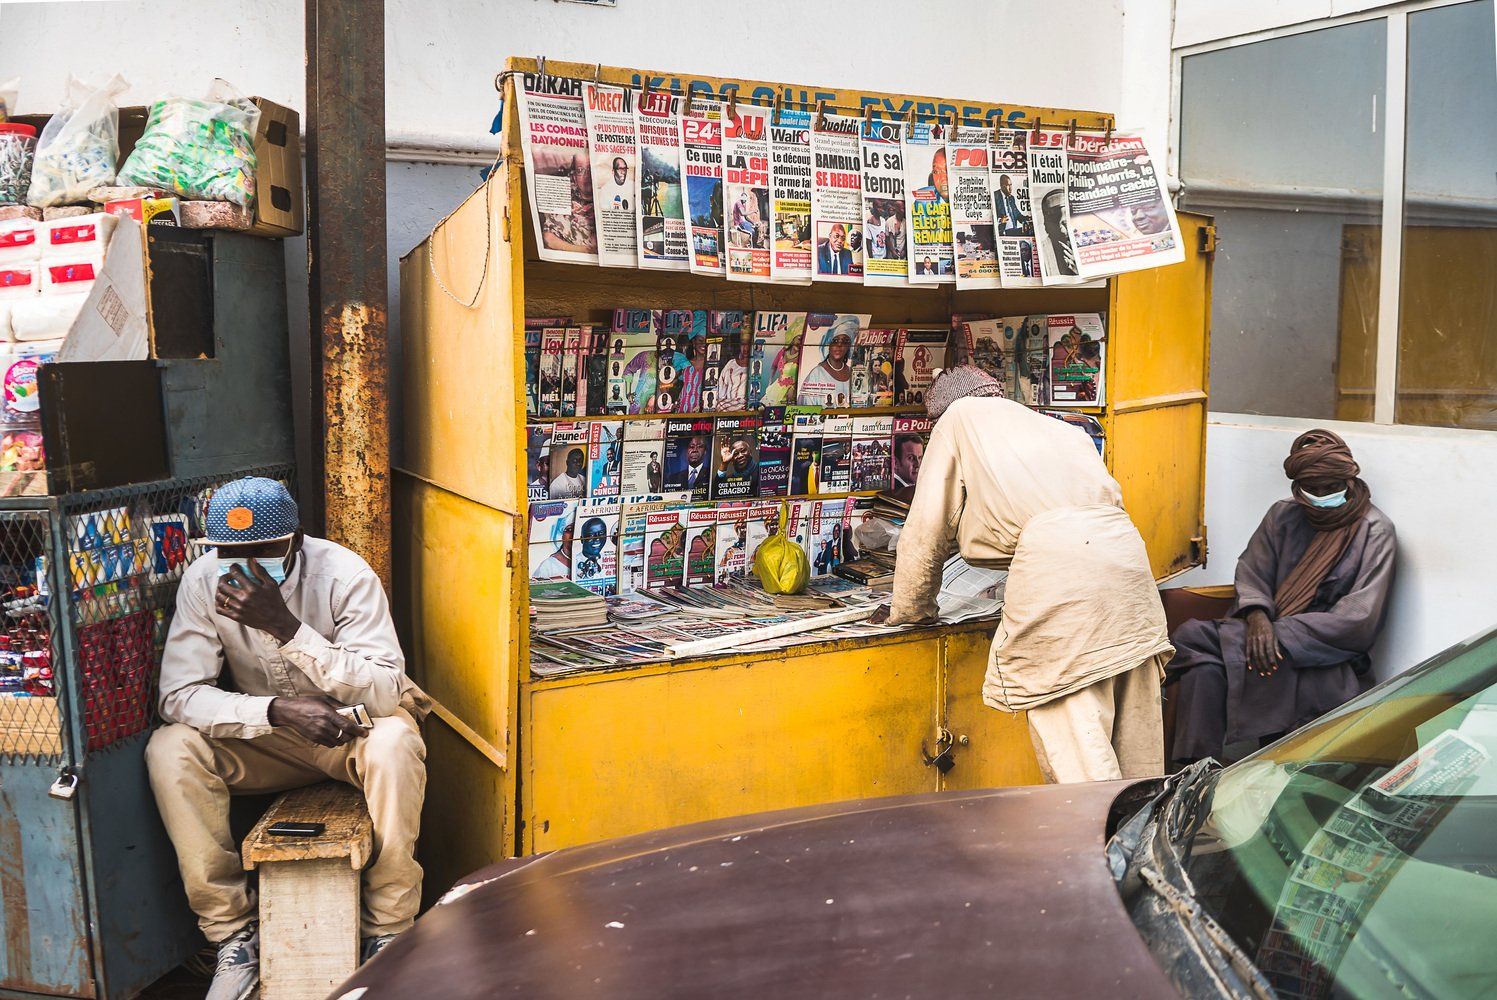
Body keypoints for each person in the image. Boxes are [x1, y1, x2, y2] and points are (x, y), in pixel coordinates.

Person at [146, 478, 429, 1000]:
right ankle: (233, 934)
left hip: (351, 733)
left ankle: (387, 929)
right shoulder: (204, 580)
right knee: (169, 748)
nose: (249, 563)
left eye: (265, 551)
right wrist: (276, 710)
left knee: (395, 743)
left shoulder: (342, 574)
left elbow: (387, 691)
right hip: (269, 737)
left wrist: (286, 628)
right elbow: (179, 696)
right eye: (234, 553)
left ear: (295, 539)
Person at [875, 367, 1171, 783]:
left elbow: (924, 535)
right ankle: (1147, 844)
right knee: (1138, 758)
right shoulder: (1060, 431)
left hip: (1066, 589)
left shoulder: (957, 420)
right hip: (1132, 586)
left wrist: (909, 612)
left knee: (1081, 762)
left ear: (939, 413)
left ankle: (1096, 846)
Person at [1168, 430, 1396, 765]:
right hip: (1260, 633)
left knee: (1191, 638)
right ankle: (1192, 772)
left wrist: (1278, 633)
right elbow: (1252, 570)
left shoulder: (1375, 530)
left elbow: (1357, 619)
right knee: (1204, 670)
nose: (1320, 496)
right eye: (1312, 489)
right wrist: (1258, 618)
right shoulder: (1283, 514)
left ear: (1348, 481)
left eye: (1330, 488)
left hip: (1324, 650)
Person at [1039, 188, 1079, 276]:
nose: (1062, 230)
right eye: (1054, 219)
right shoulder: (1041, 251)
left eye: (1065, 223)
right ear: (1045, 224)